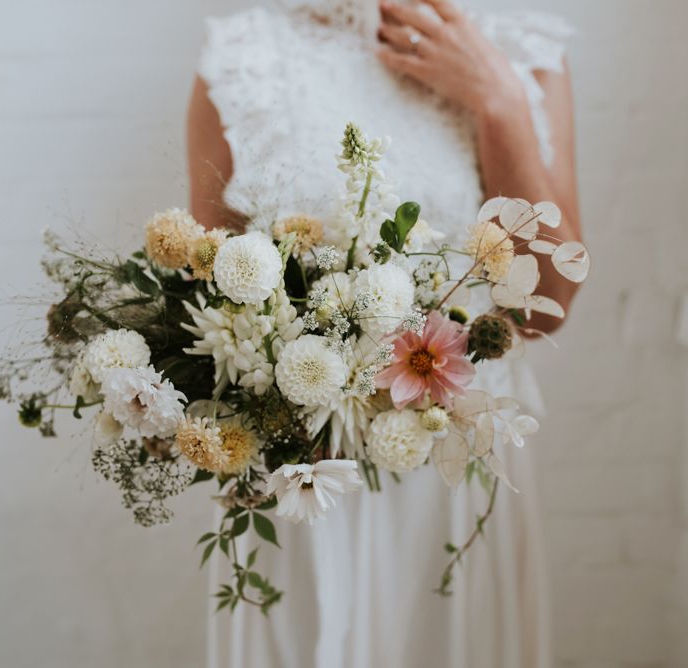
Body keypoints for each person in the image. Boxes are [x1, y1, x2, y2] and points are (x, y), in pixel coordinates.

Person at [186, 1, 582, 665]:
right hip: (305, 480)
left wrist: (499, 104)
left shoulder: (523, 45)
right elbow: (210, 298)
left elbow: (546, 308)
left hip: (459, 476)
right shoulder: (243, 53)